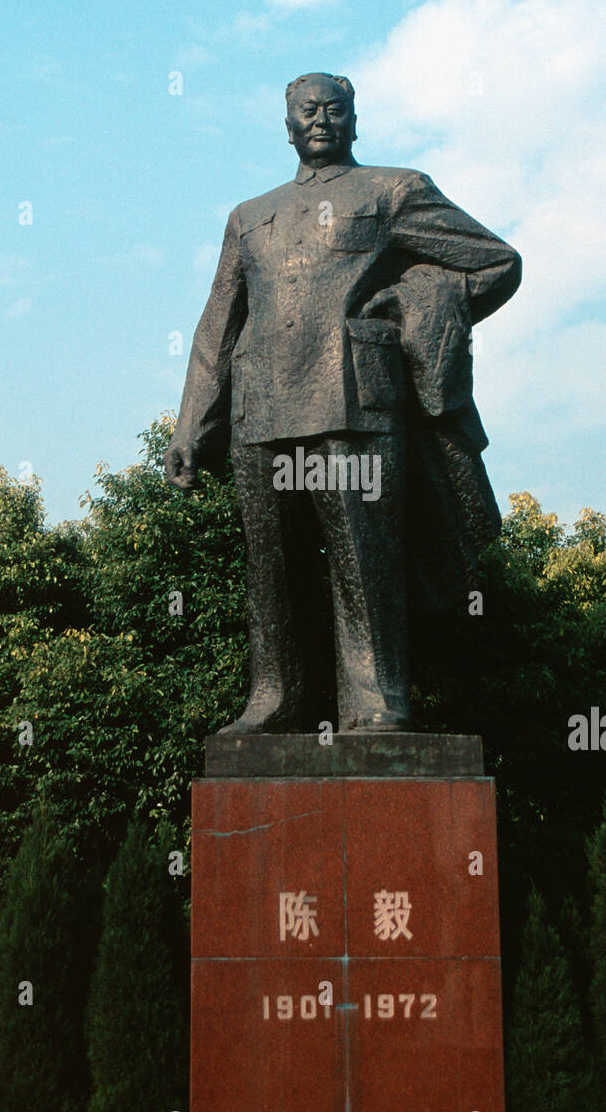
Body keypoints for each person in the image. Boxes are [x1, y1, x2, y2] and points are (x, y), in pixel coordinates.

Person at [165, 72, 521, 733]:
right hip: (262, 405)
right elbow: (217, 323)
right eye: (308, 111)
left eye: (335, 109)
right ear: (288, 126)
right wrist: (191, 425)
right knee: (270, 568)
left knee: (366, 559)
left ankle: (375, 701)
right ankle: (275, 698)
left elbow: (494, 262)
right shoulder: (249, 215)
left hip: (355, 397)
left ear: (355, 120)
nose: (321, 120)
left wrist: (414, 302)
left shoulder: (393, 190)